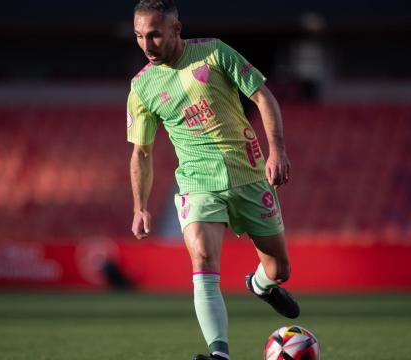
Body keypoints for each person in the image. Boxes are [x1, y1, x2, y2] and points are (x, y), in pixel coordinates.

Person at [127, 1, 300, 359]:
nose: (147, 44)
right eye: (140, 36)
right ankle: (219, 353)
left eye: (155, 34)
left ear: (176, 29)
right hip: (197, 181)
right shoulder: (142, 87)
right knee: (203, 259)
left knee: (279, 269)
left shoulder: (214, 53)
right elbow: (141, 153)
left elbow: (262, 96)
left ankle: (260, 286)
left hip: (248, 174)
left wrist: (277, 150)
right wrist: (140, 206)